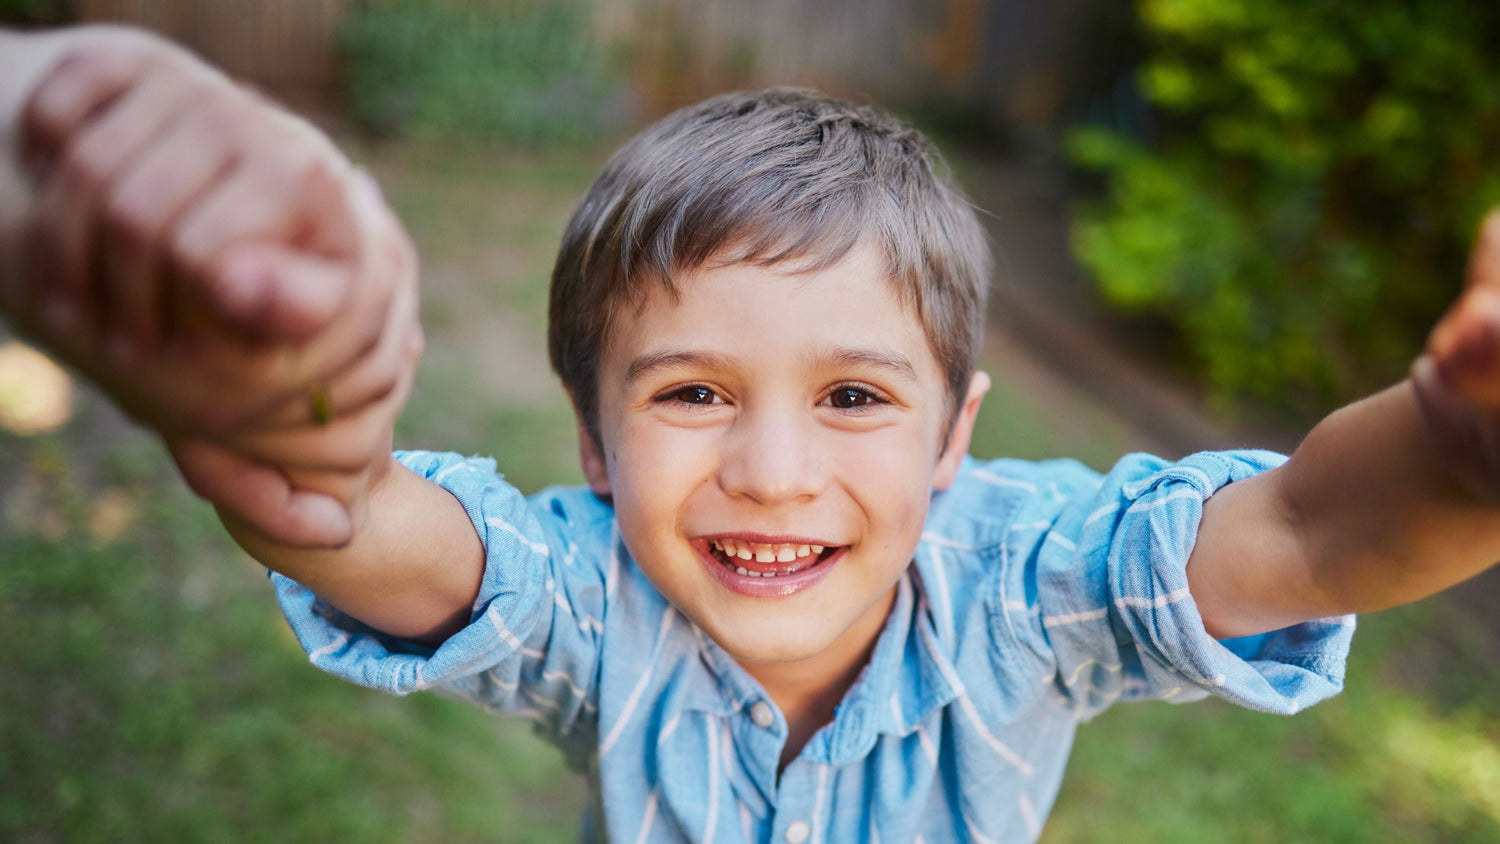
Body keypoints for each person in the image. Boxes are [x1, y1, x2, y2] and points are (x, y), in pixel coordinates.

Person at [4, 25, 1500, 843]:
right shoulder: (593, 597)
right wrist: (272, 418)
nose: (773, 474)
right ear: (594, 448)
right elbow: (361, 527)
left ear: (951, 439)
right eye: (690, 392)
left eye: (855, 397)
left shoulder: (1028, 597)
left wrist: (1454, 449)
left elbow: (1304, 534)